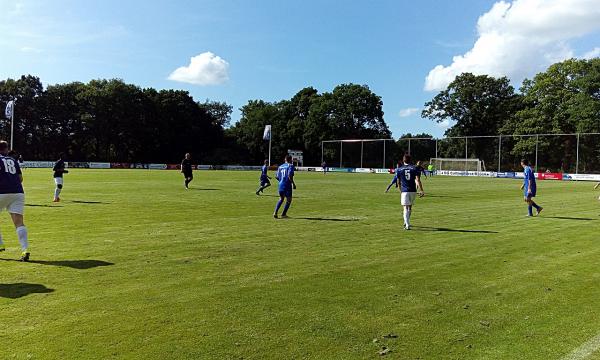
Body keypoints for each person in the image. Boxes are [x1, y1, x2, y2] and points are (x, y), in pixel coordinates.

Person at [0, 141, 30, 261]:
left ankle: (1, 244)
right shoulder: (13, 160)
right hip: (18, 192)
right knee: (19, 223)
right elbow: (20, 178)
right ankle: (25, 250)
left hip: (1, 192)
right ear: (6, 149)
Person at [396, 154, 424, 230]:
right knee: (410, 207)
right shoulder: (414, 168)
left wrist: (400, 190)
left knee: (405, 207)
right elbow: (418, 180)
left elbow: (398, 182)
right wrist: (421, 190)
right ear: (410, 160)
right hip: (413, 191)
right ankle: (407, 221)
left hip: (404, 191)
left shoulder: (399, 169)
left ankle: (407, 224)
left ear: (403, 160)